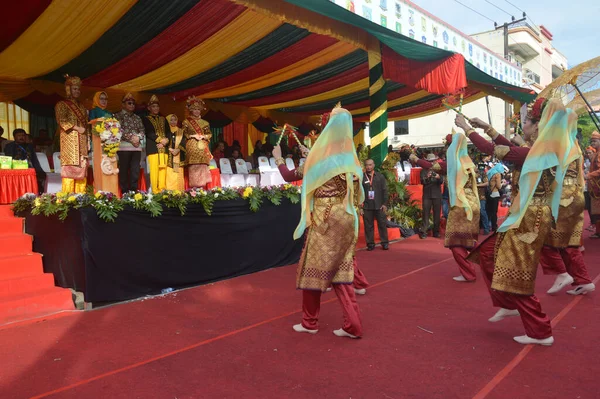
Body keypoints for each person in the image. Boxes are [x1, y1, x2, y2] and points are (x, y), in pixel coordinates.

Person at [455, 97, 576, 346]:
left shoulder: (544, 152)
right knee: (487, 254)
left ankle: (540, 331)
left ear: (540, 126)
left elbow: (501, 151)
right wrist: (485, 127)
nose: (525, 127)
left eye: (529, 122)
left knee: (517, 275)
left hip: (530, 220)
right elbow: (512, 148)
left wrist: (467, 130)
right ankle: (507, 304)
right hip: (523, 216)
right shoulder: (545, 149)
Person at [274, 104, 364, 338]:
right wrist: (310, 155)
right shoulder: (350, 157)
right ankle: (352, 324)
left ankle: (309, 321)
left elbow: (289, 176)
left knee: (311, 267)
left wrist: (278, 159)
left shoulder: (320, 157)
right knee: (341, 270)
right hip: (346, 216)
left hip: (325, 217)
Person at [411, 133, 480, 282]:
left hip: (461, 205)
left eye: (448, 146)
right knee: (467, 241)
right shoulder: (467, 161)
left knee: (455, 242)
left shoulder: (454, 163)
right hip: (472, 204)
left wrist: (416, 159)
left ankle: (469, 272)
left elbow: (432, 166)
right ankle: (488, 262)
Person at [537, 132, 595, 296]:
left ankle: (562, 273)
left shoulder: (561, 144)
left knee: (541, 237)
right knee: (569, 244)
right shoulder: (573, 145)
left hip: (563, 198)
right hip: (574, 196)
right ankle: (583, 280)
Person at [54, 75, 89, 193]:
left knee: (81, 172)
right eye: (75, 89)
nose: (77, 91)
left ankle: (81, 199)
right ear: (69, 89)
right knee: (70, 171)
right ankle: (67, 201)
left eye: (78, 89)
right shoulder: (62, 104)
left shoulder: (82, 107)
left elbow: (86, 126)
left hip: (82, 143)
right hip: (69, 143)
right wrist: (77, 128)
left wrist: (87, 140)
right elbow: (62, 121)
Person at [114, 93, 145, 193]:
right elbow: (118, 130)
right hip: (124, 148)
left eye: (133, 103)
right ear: (123, 104)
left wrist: (138, 137)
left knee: (135, 170)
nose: (131, 105)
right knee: (123, 169)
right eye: (129, 103)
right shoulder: (118, 116)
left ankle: (133, 192)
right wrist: (132, 138)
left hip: (136, 148)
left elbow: (142, 130)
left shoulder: (137, 118)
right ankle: (124, 192)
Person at [183, 96, 213, 188]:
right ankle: (194, 190)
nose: (197, 111)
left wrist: (203, 136)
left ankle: (202, 190)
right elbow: (183, 134)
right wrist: (192, 136)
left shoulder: (205, 123)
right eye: (194, 109)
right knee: (194, 167)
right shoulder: (186, 122)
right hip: (192, 147)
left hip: (202, 148)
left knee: (202, 166)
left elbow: (209, 134)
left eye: (198, 109)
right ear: (191, 110)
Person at [4, 129, 46, 194]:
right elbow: (9, 159)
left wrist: (39, 170)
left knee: (40, 175)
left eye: (23, 135)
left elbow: (34, 160)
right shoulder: (10, 146)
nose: (21, 137)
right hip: (15, 169)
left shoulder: (29, 146)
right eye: (19, 135)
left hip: (29, 168)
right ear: (14, 137)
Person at [143, 95, 169, 192]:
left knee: (164, 170)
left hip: (164, 148)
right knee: (154, 171)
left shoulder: (164, 119)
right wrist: (160, 140)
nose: (156, 108)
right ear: (149, 108)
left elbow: (168, 132)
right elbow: (149, 132)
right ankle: (155, 191)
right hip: (153, 148)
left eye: (157, 106)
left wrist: (166, 141)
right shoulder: (146, 119)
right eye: (153, 106)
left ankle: (163, 190)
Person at [361, 159, 389, 250]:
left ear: (373, 165)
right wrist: (360, 206)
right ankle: (370, 244)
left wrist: (384, 204)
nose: (368, 167)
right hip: (367, 205)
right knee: (368, 226)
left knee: (382, 224)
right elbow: (358, 192)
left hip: (379, 205)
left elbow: (385, 191)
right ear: (365, 166)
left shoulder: (380, 176)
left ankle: (384, 242)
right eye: (367, 165)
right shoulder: (362, 177)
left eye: (370, 165)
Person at [419, 153, 444, 239]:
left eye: (433, 161)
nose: (431, 162)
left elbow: (442, 181)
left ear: (435, 161)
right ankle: (424, 231)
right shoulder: (423, 171)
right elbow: (422, 182)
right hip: (427, 195)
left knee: (437, 214)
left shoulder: (439, 170)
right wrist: (427, 177)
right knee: (425, 213)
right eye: (430, 161)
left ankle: (436, 232)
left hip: (437, 194)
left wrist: (438, 177)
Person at [165, 114, 186, 191]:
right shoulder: (165, 131)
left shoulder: (181, 131)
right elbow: (164, 142)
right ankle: (170, 193)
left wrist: (178, 149)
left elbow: (183, 142)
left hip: (178, 155)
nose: (173, 121)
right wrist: (170, 149)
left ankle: (179, 192)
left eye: (175, 120)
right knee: (170, 175)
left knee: (178, 174)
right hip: (169, 156)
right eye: (171, 120)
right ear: (167, 121)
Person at [587, 131, 600, 239]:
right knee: (596, 211)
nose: (593, 143)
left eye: (595, 141)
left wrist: (589, 175)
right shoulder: (596, 153)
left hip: (598, 186)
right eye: (592, 141)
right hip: (595, 187)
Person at [486, 162, 503, 231]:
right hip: (495, 193)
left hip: (488, 193)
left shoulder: (490, 172)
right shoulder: (497, 174)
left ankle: (487, 225)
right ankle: (494, 226)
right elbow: (498, 186)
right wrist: (502, 184)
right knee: (494, 212)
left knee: (488, 210)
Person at [475, 163, 490, 234]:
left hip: (481, 196)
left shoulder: (483, 174)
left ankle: (486, 228)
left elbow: (487, 183)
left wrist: (477, 185)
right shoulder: (471, 174)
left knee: (482, 212)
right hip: (473, 196)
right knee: (475, 213)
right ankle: (475, 229)